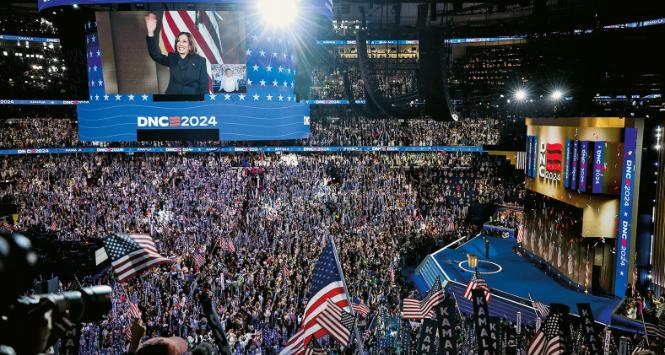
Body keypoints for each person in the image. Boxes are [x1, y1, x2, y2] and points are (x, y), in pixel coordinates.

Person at [145, 13, 208, 95]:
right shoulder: (172, 58)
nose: (180, 44)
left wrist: (204, 105)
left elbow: (204, 87)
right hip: (172, 101)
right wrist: (150, 32)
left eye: (184, 41)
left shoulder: (200, 61)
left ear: (190, 46)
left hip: (192, 102)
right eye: (178, 41)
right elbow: (155, 54)